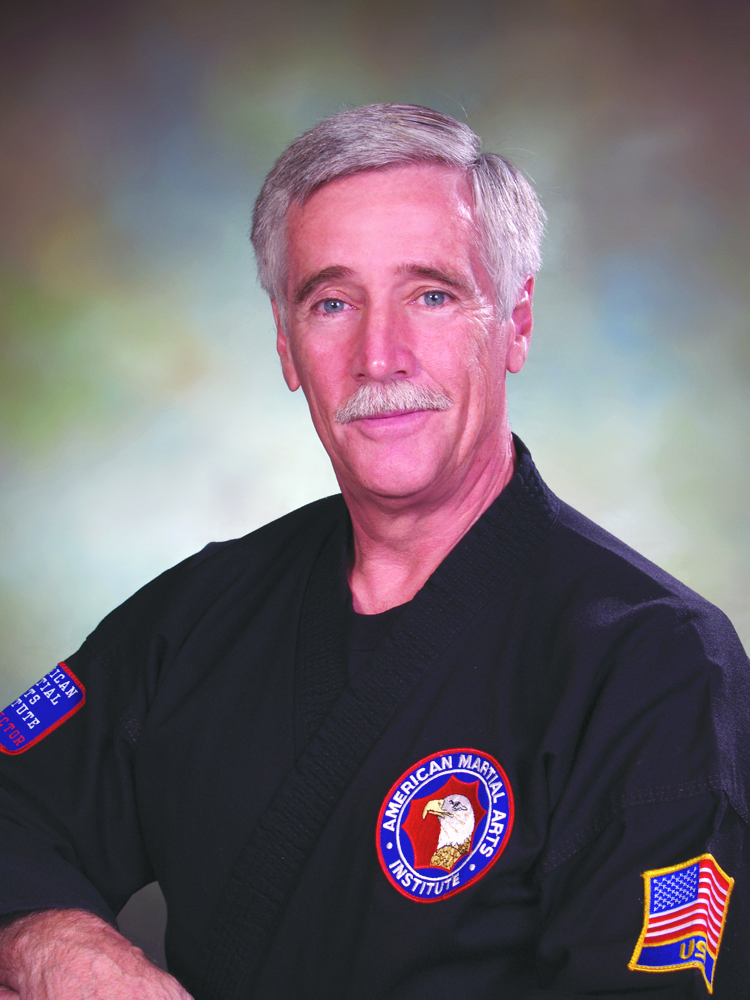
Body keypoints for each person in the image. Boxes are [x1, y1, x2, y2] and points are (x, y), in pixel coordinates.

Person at [0, 104, 748, 999]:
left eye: (431, 295)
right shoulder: (195, 615)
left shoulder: (655, 664)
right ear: (287, 345)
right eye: (332, 302)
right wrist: (68, 957)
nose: (379, 356)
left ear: (515, 323)